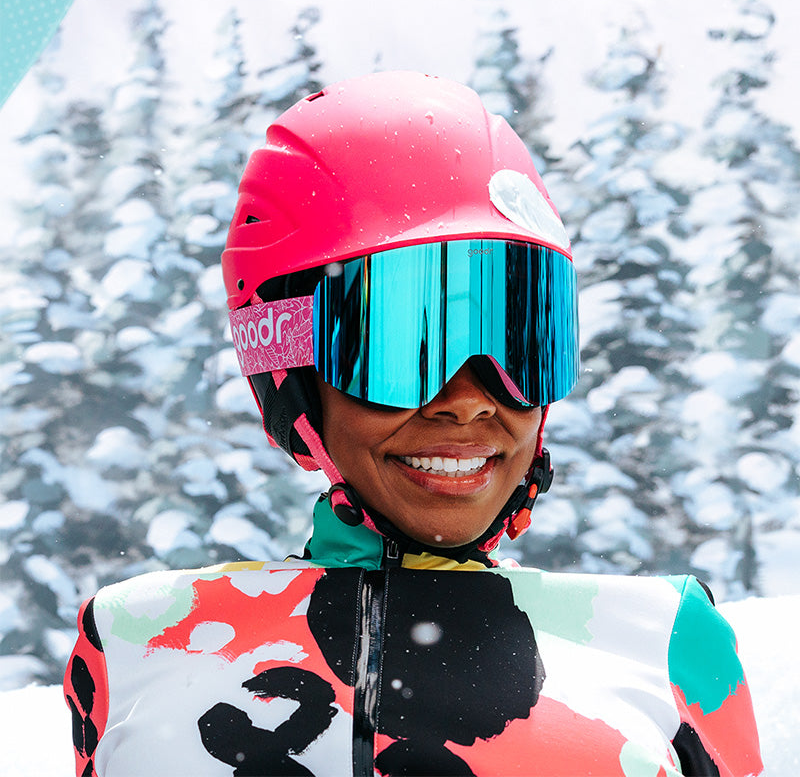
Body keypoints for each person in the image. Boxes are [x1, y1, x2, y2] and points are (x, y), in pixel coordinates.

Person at [64, 71, 762, 777]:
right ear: (288, 370)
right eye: (404, 349)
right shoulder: (135, 639)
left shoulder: (662, 638)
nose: (469, 400)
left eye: (519, 343)